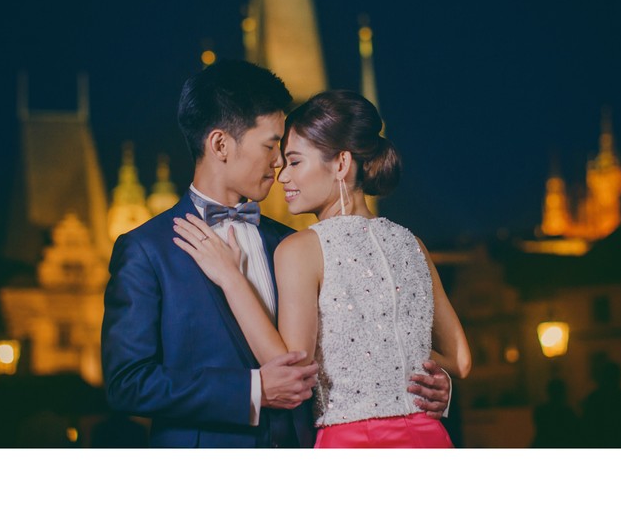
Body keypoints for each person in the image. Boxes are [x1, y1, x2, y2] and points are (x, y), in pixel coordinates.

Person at [102, 61, 450, 448]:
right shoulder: (148, 250)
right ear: (220, 144)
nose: (280, 162)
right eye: (271, 146)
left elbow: (362, 338)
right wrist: (252, 391)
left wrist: (432, 384)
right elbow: (127, 384)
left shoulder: (299, 244)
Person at [173, 89, 471, 448]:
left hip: (352, 444)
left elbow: (293, 367)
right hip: (429, 439)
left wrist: (231, 278)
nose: (282, 177)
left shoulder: (300, 249)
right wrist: (403, 361)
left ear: (342, 164)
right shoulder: (413, 244)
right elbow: (461, 359)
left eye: (295, 162)